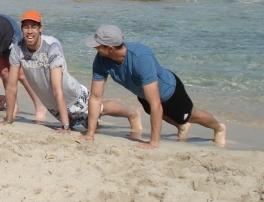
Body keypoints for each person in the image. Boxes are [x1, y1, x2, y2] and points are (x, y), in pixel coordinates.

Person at [83, 25, 227, 149]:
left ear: (110, 48)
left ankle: (218, 128)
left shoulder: (141, 57)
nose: (94, 48)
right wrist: (90, 134)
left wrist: (153, 142)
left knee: (192, 116)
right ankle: (181, 126)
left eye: (97, 46)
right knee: (161, 114)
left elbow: (155, 103)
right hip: (143, 93)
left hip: (170, 91)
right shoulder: (101, 60)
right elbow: (95, 97)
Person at [4, 11, 142, 135]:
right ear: (21, 29)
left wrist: (65, 126)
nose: (29, 31)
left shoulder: (51, 46)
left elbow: (58, 89)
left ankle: (132, 114)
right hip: (54, 105)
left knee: (101, 108)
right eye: (26, 27)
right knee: (93, 127)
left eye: (33, 27)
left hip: (73, 96)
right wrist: (8, 120)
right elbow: (11, 86)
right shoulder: (17, 49)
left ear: (41, 28)